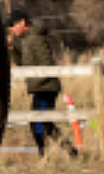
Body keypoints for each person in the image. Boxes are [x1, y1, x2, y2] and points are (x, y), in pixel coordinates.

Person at [7, 9, 74, 157]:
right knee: (44, 123)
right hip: (39, 88)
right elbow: (22, 63)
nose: (11, 29)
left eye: (12, 25)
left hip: (46, 87)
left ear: (23, 22)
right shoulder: (25, 41)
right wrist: (12, 50)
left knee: (38, 123)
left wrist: (35, 81)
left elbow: (46, 64)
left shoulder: (36, 39)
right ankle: (69, 151)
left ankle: (44, 156)